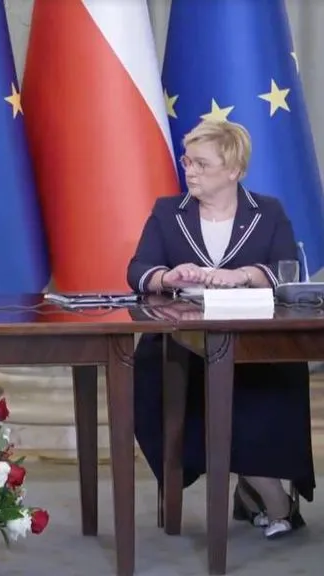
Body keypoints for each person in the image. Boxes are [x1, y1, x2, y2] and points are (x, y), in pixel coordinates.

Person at [127, 119, 313, 539]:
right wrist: (168, 277)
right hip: (180, 345)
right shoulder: (166, 212)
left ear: (234, 170)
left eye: (202, 164)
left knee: (253, 388)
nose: (190, 170)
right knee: (154, 377)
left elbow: (285, 271)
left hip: (255, 345)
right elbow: (137, 271)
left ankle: (265, 489)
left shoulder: (268, 212)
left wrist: (244, 274)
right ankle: (263, 493)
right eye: (187, 161)